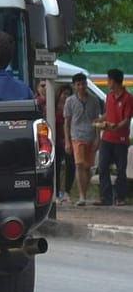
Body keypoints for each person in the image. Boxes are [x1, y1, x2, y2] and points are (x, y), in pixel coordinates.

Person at [93, 69, 132, 206]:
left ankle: (120, 197)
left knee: (121, 169)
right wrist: (98, 120)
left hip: (120, 140)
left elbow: (126, 120)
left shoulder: (128, 98)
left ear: (115, 81)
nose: (107, 83)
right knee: (103, 167)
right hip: (107, 138)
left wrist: (116, 126)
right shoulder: (109, 96)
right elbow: (107, 114)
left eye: (109, 80)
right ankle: (106, 197)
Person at [63, 73, 104, 206]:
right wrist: (67, 141)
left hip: (91, 136)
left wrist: (98, 138)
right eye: (78, 84)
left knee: (87, 167)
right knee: (79, 164)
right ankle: (81, 196)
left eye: (83, 84)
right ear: (75, 86)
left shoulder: (94, 100)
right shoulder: (70, 101)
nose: (81, 87)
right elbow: (67, 122)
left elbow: (97, 120)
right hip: (76, 136)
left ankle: (84, 195)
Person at [50, 83, 74, 202]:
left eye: (68, 94)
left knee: (71, 165)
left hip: (68, 139)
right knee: (56, 167)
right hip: (56, 140)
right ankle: (57, 191)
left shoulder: (70, 107)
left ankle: (67, 192)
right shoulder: (52, 107)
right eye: (64, 94)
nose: (66, 97)